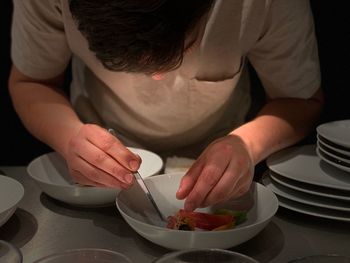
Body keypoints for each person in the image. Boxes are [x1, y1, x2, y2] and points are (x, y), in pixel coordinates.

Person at [9, 0, 323, 212]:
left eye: (186, 46)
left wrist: (247, 144)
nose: (157, 76)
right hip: (91, 183)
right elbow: (32, 82)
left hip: (222, 183)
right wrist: (69, 137)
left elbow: (301, 100)